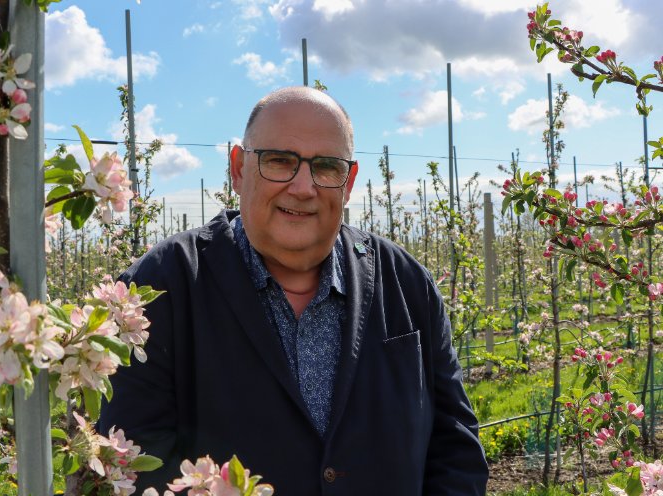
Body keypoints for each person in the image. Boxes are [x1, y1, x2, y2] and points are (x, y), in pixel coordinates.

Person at [99, 86, 488, 495]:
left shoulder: (406, 283)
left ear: (349, 181)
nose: (303, 187)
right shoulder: (159, 290)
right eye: (279, 161)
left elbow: (455, 449)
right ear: (238, 169)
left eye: (326, 166)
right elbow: (134, 471)